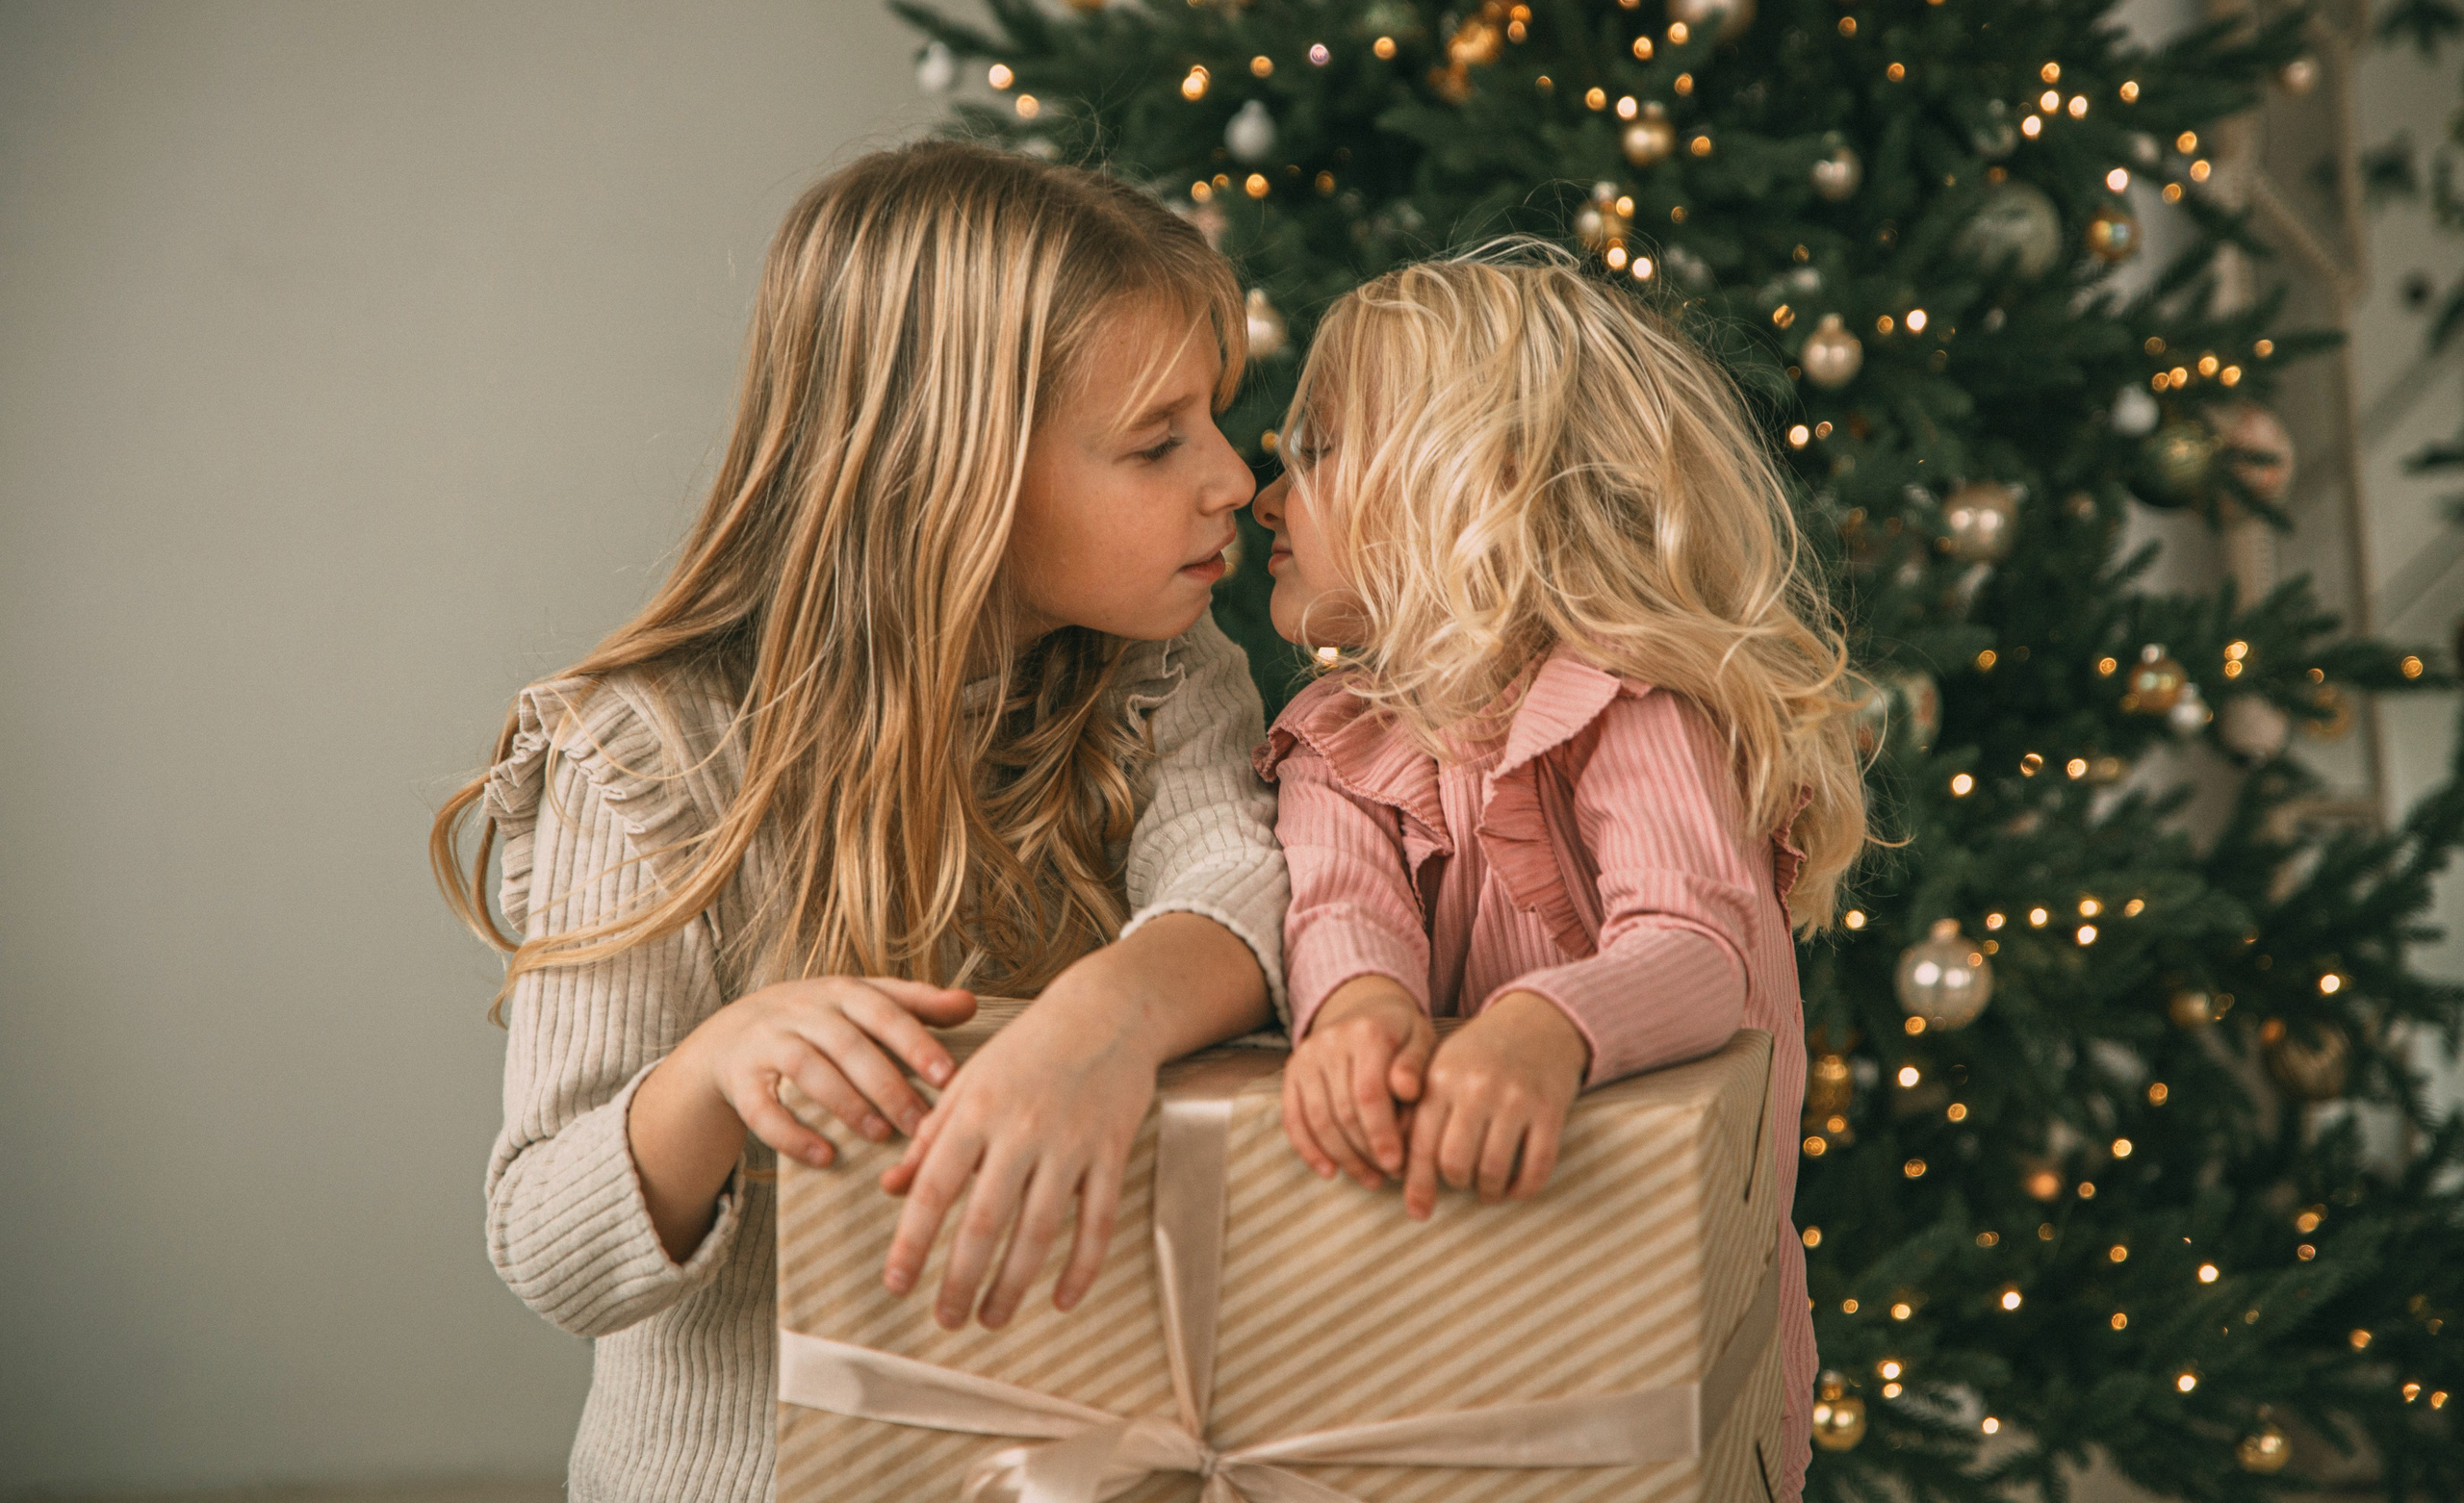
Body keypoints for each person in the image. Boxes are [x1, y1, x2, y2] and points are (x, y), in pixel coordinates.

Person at [429, 141, 1289, 1501]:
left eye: (1217, 420)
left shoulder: (1163, 677)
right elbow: (551, 1245)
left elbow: (1241, 886)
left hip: (1074, 1457)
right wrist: (713, 1070)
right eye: (1157, 441)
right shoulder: (640, 753)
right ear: (954, 470)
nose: (1237, 478)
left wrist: (1099, 1022)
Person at [1250, 246, 1867, 1500]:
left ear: (1470, 479)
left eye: (1310, 452)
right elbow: (1339, 905)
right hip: (1426, 1309)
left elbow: (1698, 949)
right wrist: (1361, 1013)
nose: (1265, 497)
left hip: (1643, 1315)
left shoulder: (1627, 704)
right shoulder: (1338, 729)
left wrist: (1542, 1026)